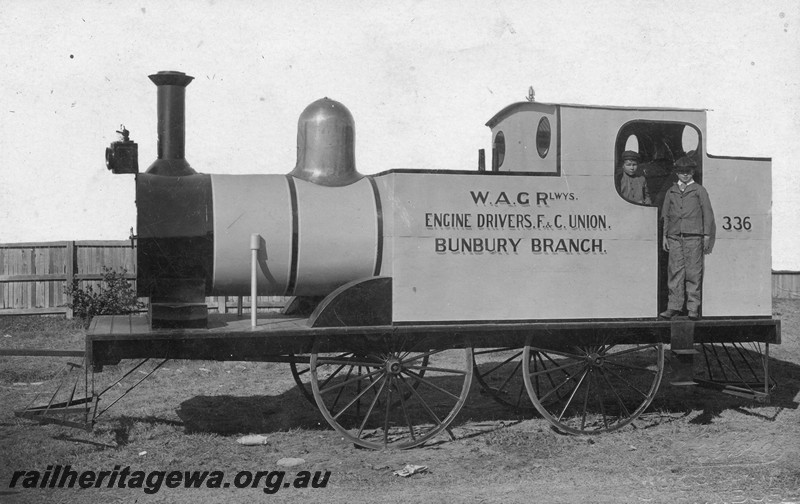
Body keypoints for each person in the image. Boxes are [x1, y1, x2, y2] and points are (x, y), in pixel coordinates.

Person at [659, 155, 715, 320]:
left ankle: (692, 308)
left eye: (688, 172)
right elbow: (666, 215)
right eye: (682, 171)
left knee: (693, 273)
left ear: (693, 172)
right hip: (674, 237)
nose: (685, 174)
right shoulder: (671, 191)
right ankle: (673, 307)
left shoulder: (699, 190)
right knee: (675, 272)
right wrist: (665, 236)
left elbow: (708, 214)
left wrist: (706, 235)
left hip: (693, 237)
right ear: (677, 172)